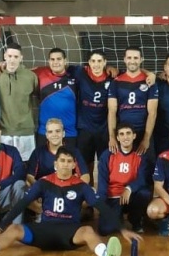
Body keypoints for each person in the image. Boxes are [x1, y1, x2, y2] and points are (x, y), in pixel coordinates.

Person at [0, 147, 142, 256]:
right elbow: (21, 205)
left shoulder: (81, 186)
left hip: (69, 234)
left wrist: (122, 228)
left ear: (73, 165)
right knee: (15, 229)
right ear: (56, 164)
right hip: (44, 232)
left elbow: (102, 207)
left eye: (69, 161)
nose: (65, 164)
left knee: (87, 230)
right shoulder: (44, 182)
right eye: (62, 160)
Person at [98, 123, 151, 234]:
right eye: (121, 134)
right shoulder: (107, 155)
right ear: (117, 137)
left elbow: (142, 179)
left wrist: (129, 188)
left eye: (128, 133)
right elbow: (102, 183)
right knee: (104, 230)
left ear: (134, 136)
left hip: (131, 195)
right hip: (113, 196)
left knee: (145, 193)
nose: (125, 137)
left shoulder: (140, 155)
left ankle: (135, 220)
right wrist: (102, 206)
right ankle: (118, 217)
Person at [0, 42, 38, 161]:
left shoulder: (31, 77)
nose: (12, 60)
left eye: (16, 57)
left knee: (26, 166)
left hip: (26, 130)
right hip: (4, 131)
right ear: (5, 56)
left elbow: (37, 98)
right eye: (10, 56)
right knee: (5, 166)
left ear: (21, 58)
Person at [107, 46, 158, 156]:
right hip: (124, 133)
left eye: (136, 58)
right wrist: (112, 137)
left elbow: (152, 113)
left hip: (143, 132)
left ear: (141, 59)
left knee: (147, 168)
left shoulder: (149, 81)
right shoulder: (116, 82)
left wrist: (146, 139)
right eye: (129, 58)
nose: (132, 61)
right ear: (124, 59)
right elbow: (112, 112)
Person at [75, 50, 114, 185]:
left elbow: (134, 73)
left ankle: (104, 196)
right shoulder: (81, 73)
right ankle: (89, 196)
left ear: (105, 62)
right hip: (85, 128)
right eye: (93, 61)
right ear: (89, 63)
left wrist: (150, 74)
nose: (96, 65)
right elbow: (58, 66)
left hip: (104, 130)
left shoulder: (112, 77)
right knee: (86, 165)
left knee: (105, 164)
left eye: (99, 61)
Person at [34, 48, 80, 148]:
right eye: (52, 59)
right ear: (49, 61)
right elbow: (20, 70)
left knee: (68, 163)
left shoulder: (75, 75)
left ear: (65, 61)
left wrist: (110, 68)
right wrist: (0, 65)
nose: (55, 62)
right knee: (44, 163)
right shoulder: (40, 73)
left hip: (69, 132)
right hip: (45, 131)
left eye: (59, 59)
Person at [27, 120, 89, 185]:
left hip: (69, 190)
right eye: (50, 132)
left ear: (63, 133)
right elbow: (30, 176)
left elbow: (85, 176)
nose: (54, 135)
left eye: (58, 131)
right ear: (46, 135)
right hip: (44, 191)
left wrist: (78, 189)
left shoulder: (74, 151)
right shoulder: (38, 152)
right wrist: (40, 189)